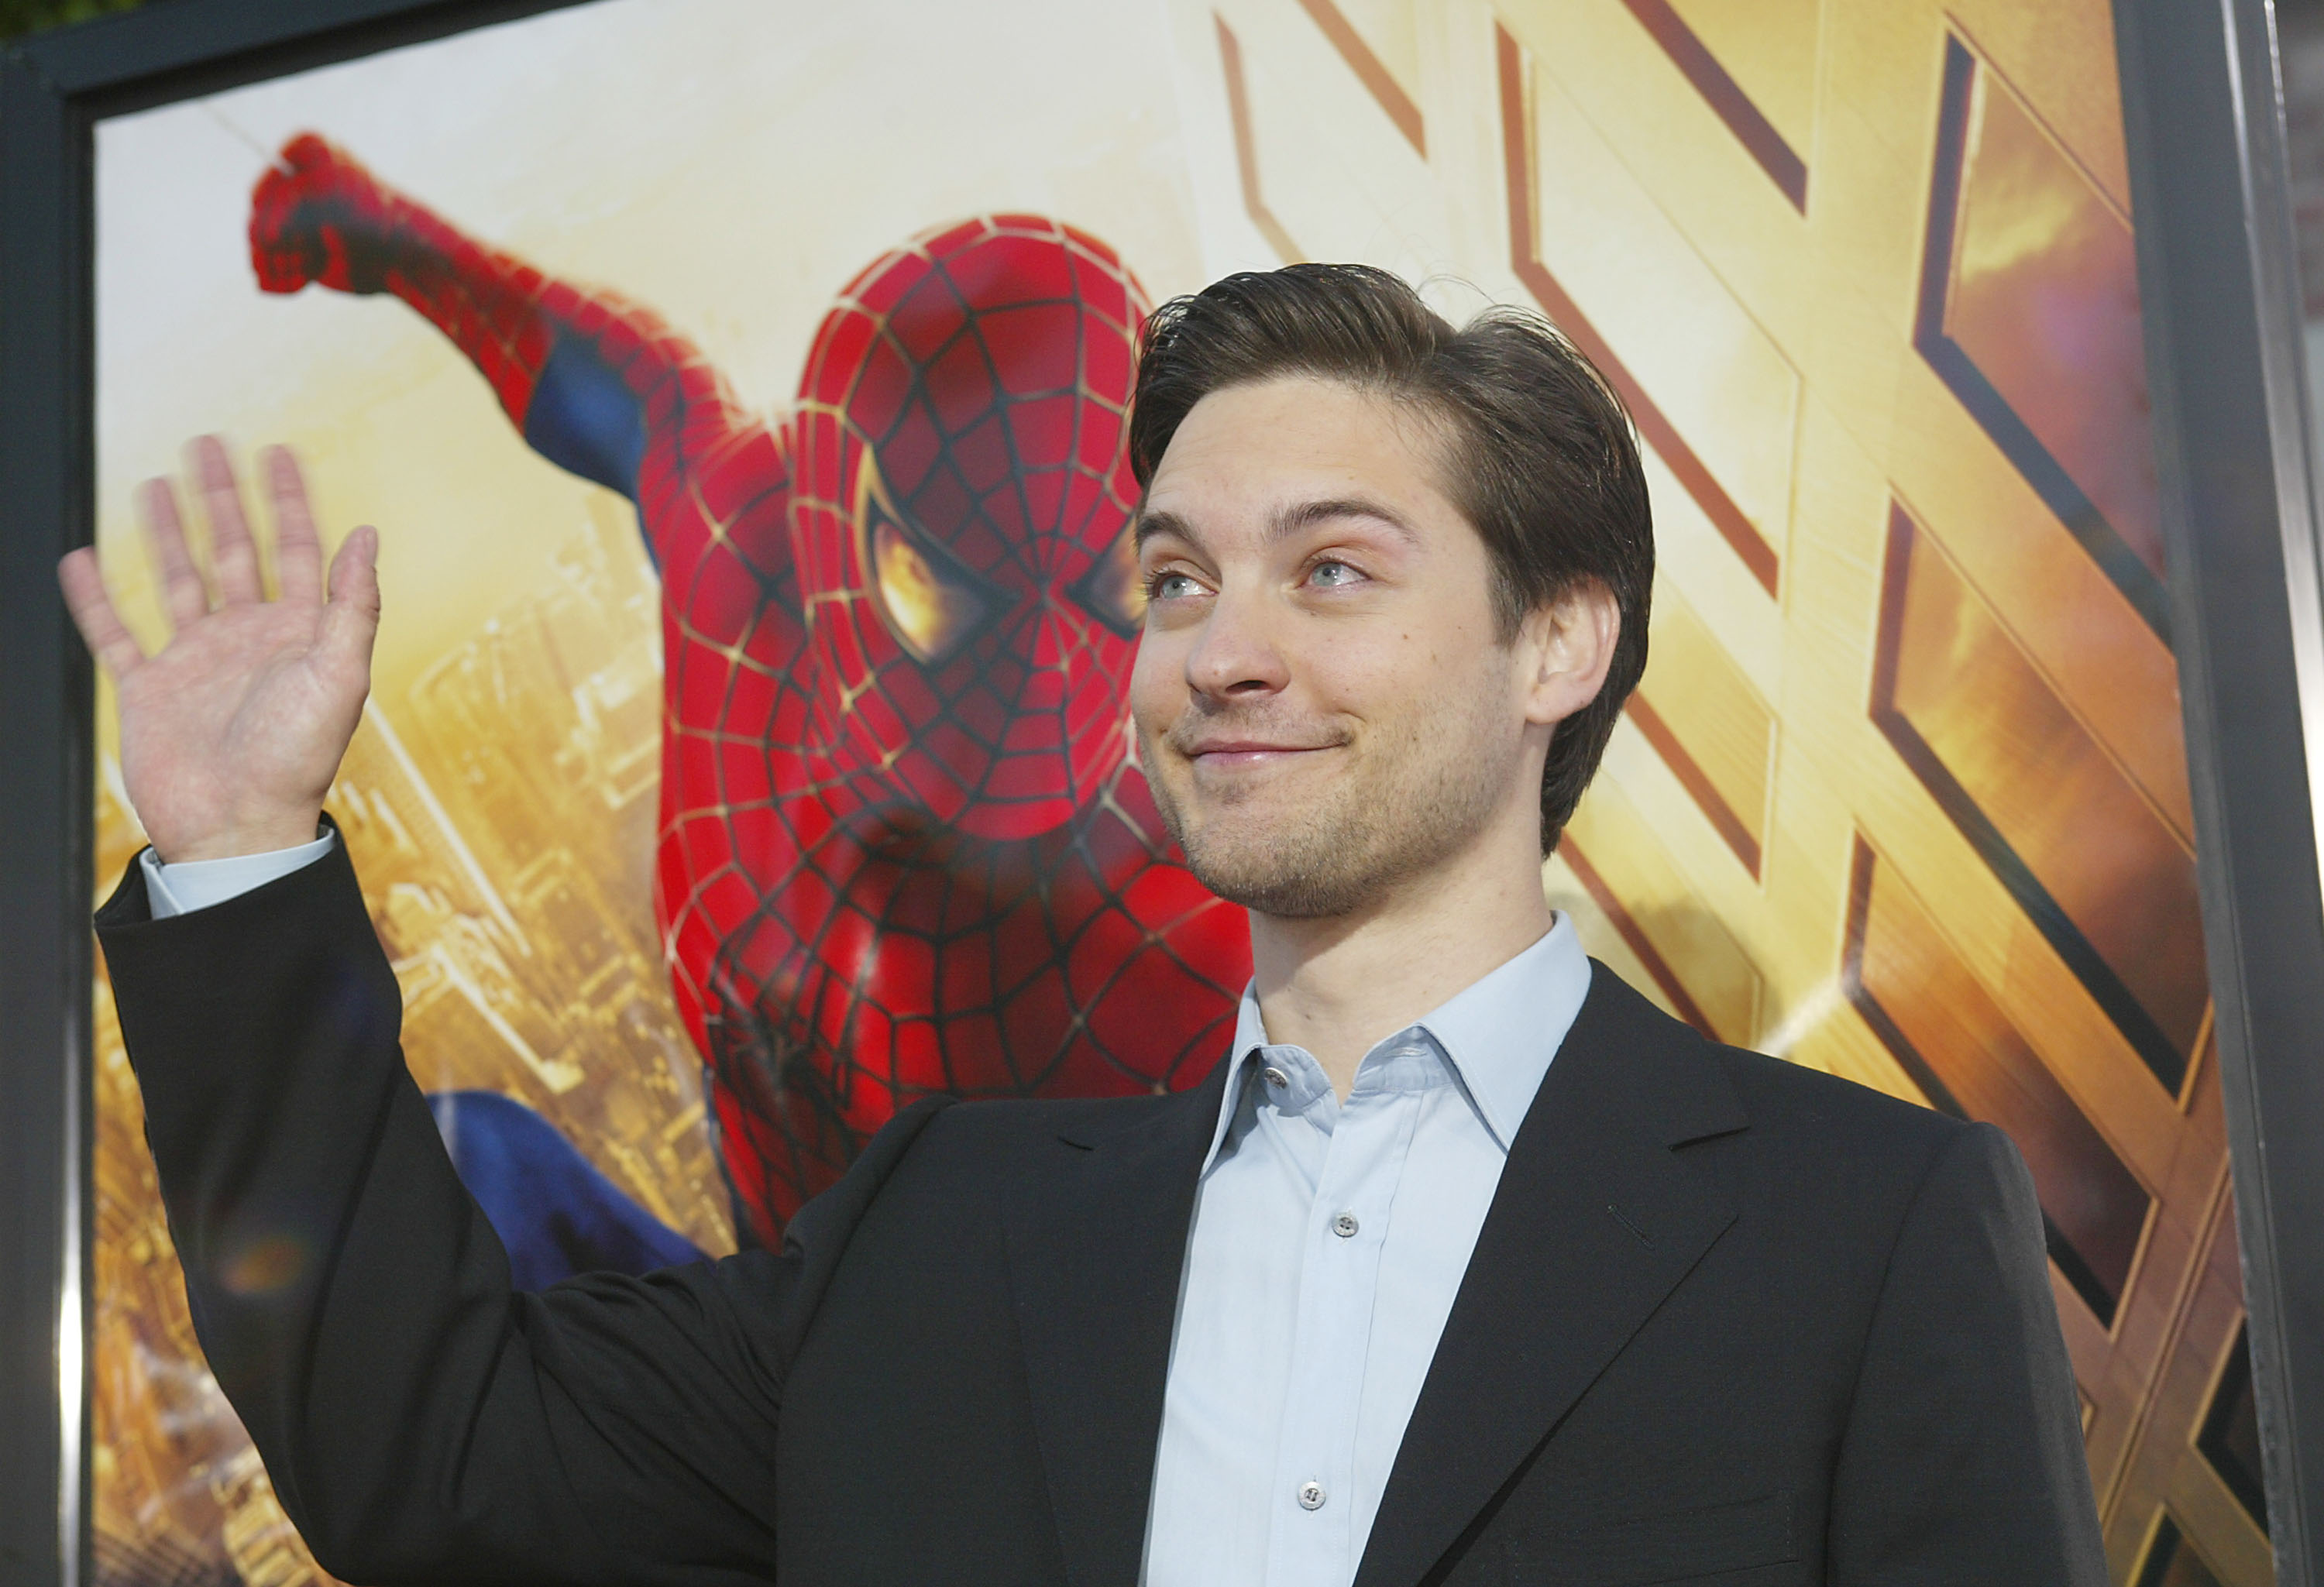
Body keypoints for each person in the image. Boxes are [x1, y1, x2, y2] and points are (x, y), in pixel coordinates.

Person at [70, 264, 2107, 1585]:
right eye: (1174, 577)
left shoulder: (1867, 1227)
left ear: (1558, 636)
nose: (1225, 650)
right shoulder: (946, 1227)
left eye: (1332, 571)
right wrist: (243, 849)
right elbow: (440, 1461)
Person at [246, 132, 1252, 1245]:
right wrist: (394, 238)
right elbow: (626, 388)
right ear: (839, 528)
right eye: (949, 587)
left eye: (1114, 576)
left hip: (977, 1371)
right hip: (774, 1291)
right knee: (462, 1170)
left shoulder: (1206, 917)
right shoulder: (749, 561)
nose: (1046, 666)